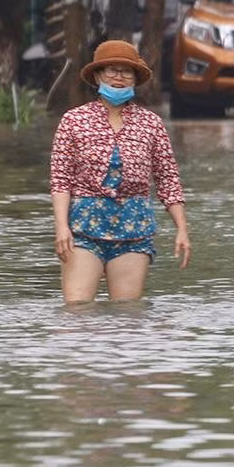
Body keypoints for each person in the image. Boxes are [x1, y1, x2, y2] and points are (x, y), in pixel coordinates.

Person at [49, 39, 190, 303]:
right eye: (111, 70)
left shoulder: (151, 124)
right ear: (97, 76)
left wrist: (182, 228)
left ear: (135, 78)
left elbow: (168, 179)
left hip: (134, 227)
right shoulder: (73, 121)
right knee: (77, 308)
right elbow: (61, 180)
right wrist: (61, 227)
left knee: (127, 315)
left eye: (126, 71)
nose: (118, 77)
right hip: (84, 226)